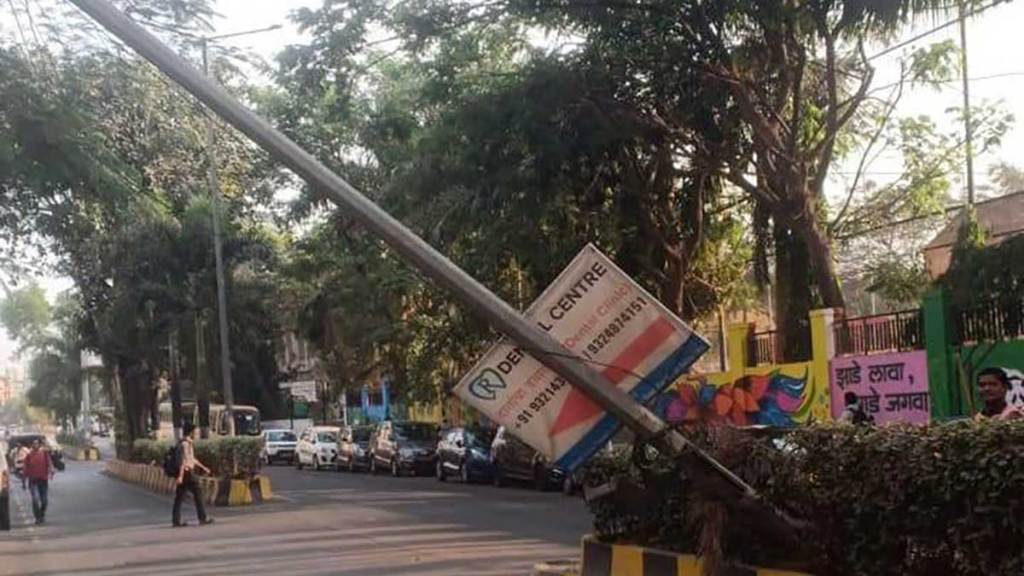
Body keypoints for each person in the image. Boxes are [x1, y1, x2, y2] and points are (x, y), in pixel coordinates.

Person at [173, 421, 214, 527]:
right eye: (194, 432)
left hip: (186, 473)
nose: (195, 434)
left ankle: (176, 520)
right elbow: (184, 461)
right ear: (190, 432)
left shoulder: (184, 443)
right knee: (198, 494)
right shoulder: (185, 444)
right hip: (187, 473)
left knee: (179, 497)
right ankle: (202, 518)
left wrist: (203, 467)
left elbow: (192, 459)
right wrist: (181, 476)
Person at [23, 439, 54, 525]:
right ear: (32, 445)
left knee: (44, 501)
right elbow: (25, 469)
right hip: (33, 482)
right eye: (33, 444)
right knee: (35, 500)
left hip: (43, 481)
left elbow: (50, 464)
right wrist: (23, 481)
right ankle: (37, 517)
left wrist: (51, 471)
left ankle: (42, 514)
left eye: (36, 443)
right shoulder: (29, 456)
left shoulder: (44, 454)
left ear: (39, 445)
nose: (35, 445)